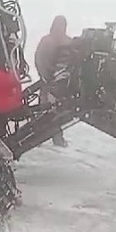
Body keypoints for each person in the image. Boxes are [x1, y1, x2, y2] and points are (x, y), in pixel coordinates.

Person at [34, 15, 75, 147]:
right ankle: (50, 138)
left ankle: (47, 137)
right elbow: (39, 59)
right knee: (51, 111)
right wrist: (47, 76)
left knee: (50, 111)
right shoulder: (65, 42)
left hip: (53, 82)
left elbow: (39, 59)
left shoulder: (50, 40)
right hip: (53, 82)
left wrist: (45, 76)